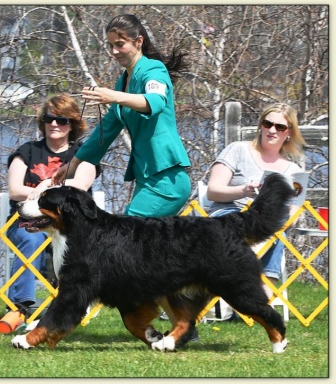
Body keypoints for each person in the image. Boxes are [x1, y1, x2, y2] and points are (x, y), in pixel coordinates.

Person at [51, 14, 194, 338]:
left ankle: (147, 323)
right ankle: (178, 323)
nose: (115, 51)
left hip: (168, 179)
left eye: (120, 44)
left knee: (127, 249)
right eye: (111, 45)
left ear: (138, 42)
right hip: (149, 179)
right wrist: (70, 165)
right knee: (146, 257)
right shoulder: (123, 80)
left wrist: (113, 97)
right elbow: (105, 132)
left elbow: (154, 103)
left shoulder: (153, 71)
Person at [7, 93, 100, 309]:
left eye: (62, 120)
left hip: (71, 223)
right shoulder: (27, 152)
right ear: (42, 122)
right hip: (30, 222)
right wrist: (42, 191)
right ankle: (22, 304)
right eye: (49, 119)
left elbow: (81, 185)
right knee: (31, 240)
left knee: (76, 242)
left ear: (73, 123)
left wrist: (43, 186)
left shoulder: (83, 153)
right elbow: (14, 190)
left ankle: (74, 302)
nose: (54, 124)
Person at [207, 102, 306, 298]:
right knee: (258, 229)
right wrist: (243, 191)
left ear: (289, 132)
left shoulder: (293, 171)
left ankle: (261, 299)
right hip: (229, 214)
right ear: (260, 125)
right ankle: (233, 295)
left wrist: (282, 218)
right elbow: (213, 191)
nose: (272, 130)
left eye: (280, 127)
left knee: (275, 231)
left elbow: (294, 210)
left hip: (265, 225)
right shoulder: (237, 150)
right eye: (267, 123)